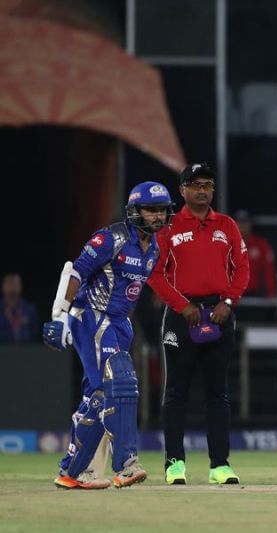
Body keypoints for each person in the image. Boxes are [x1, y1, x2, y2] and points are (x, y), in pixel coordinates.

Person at [43, 180, 173, 489]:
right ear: (134, 210)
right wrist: (59, 317)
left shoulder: (153, 248)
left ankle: (73, 472)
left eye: (161, 211)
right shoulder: (111, 238)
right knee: (121, 382)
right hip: (91, 316)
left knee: (97, 396)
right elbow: (75, 272)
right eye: (150, 210)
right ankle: (126, 464)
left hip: (118, 324)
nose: (156, 216)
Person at [148, 163, 250, 486]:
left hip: (219, 314)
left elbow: (242, 269)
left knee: (217, 393)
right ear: (182, 191)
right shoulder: (168, 227)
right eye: (195, 185)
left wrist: (229, 302)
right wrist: (182, 305)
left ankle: (220, 465)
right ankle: (174, 464)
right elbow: (155, 273)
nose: (202, 190)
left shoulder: (227, 225)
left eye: (207, 184)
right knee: (176, 392)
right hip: (182, 317)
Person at [235, 209, 277, 297]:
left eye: (245, 222)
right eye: (239, 222)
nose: (242, 226)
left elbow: (269, 270)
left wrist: (271, 292)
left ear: (250, 224)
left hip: (255, 294)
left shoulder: (260, 244)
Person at [0, 273, 39, 342]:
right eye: (9, 285)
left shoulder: (29, 309)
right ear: (3, 287)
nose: (12, 289)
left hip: (26, 350)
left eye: (15, 285)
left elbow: (35, 334)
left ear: (20, 287)